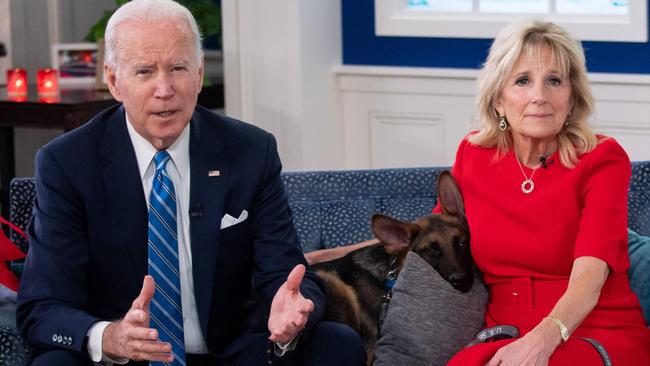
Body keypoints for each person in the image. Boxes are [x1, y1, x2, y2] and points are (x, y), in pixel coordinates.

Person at [16, 1, 365, 365]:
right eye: (145, 71)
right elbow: (43, 306)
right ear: (114, 80)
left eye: (178, 68)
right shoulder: (67, 163)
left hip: (228, 352)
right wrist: (110, 335)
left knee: (335, 344)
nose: (164, 89)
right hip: (126, 357)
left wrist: (291, 310)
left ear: (199, 73)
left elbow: (289, 275)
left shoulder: (250, 151)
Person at [306, 19, 650, 365]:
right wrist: (322, 257)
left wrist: (542, 342)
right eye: (522, 80)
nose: (539, 97)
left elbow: (591, 278)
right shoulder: (474, 156)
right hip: (502, 332)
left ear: (571, 95)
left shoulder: (602, 159)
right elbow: (427, 240)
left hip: (591, 330)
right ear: (499, 99)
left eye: (554, 81)